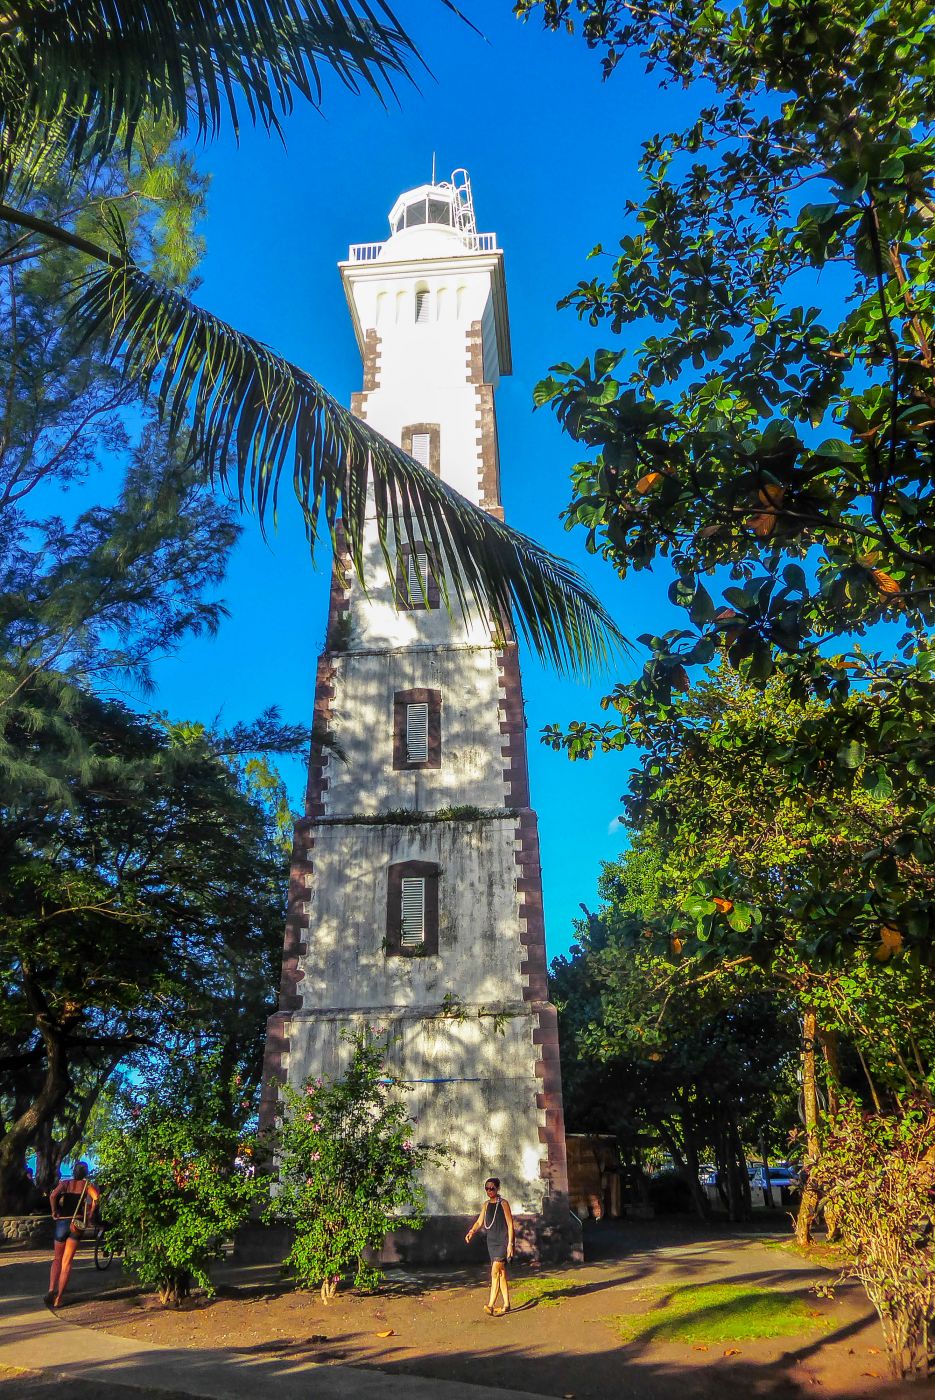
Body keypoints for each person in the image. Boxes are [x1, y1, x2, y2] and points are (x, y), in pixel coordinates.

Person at [47, 1161, 100, 1308]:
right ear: (85, 1173)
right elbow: (96, 1198)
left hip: (62, 1221)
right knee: (67, 1262)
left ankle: (51, 1289)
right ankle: (59, 1298)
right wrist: (90, 1214)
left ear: (74, 1171)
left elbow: (53, 1196)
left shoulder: (65, 1183)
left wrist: (54, 1210)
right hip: (76, 1224)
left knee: (57, 1258)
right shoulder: (87, 1185)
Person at [465, 1176, 514, 1315]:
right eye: (487, 1188)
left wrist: (510, 1244)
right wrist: (471, 1231)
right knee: (501, 1274)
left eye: (492, 1188)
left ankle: (491, 1304)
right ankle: (506, 1304)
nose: (489, 1191)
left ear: (498, 1188)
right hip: (491, 1242)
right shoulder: (486, 1205)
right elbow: (480, 1222)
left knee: (494, 1273)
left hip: (502, 1241)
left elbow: (510, 1225)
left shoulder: (504, 1204)